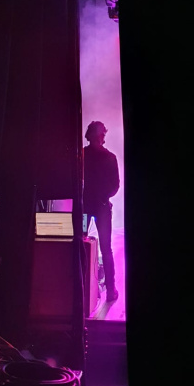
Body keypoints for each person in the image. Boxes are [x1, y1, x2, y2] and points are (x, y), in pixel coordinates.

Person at [83, 121, 120, 302]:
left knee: (79, 243)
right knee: (106, 249)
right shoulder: (110, 157)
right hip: (102, 207)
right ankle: (111, 290)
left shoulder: (81, 155)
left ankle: (80, 289)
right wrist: (103, 198)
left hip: (85, 206)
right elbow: (115, 186)